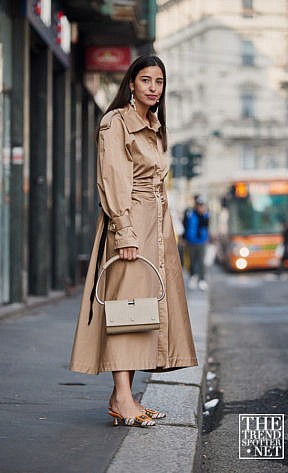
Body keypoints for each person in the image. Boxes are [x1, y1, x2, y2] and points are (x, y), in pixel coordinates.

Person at [69, 55, 197, 428]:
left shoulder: (153, 125)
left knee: (145, 312)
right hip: (130, 225)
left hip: (156, 227)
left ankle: (125, 398)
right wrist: (124, 231)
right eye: (146, 80)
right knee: (126, 311)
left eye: (159, 81)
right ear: (131, 84)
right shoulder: (115, 123)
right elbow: (112, 179)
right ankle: (123, 398)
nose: (154, 88)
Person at [183, 194, 209, 290]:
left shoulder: (205, 214)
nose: (199, 206)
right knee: (192, 261)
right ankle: (193, 277)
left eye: (201, 205)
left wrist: (202, 214)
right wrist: (184, 238)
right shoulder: (189, 213)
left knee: (201, 261)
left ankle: (202, 279)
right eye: (198, 204)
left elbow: (205, 225)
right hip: (191, 241)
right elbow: (185, 225)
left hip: (201, 241)